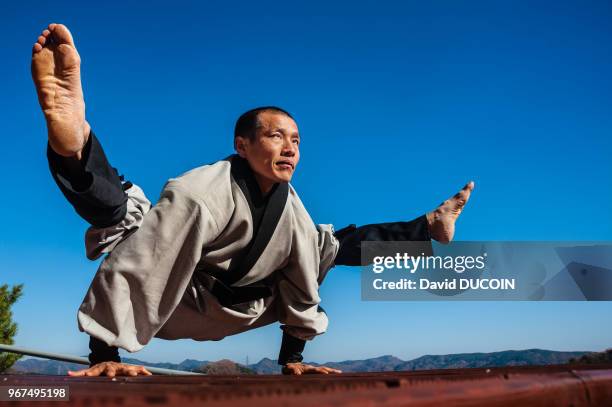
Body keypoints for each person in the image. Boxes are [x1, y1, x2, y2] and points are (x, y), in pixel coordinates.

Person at [31, 24, 474, 377]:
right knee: (127, 216)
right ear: (242, 145)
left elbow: (302, 281)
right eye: (276, 136)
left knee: (327, 246)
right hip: (178, 298)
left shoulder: (293, 213)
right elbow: (139, 262)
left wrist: (292, 359)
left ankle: (427, 225)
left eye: (297, 140)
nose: (290, 148)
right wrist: (103, 353)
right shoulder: (199, 193)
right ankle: (73, 141)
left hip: (238, 307)